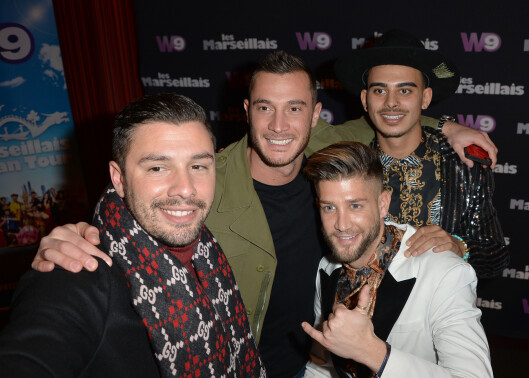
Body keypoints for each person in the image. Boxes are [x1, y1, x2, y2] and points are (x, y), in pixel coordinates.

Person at [29, 51, 497, 376]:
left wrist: (449, 126)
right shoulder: (203, 187)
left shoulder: (330, 148)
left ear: (315, 116)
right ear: (247, 112)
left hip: (312, 364)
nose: (279, 126)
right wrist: (82, 236)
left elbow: (390, 116)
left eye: (295, 108)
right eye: (266, 109)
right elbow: (144, 213)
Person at [0, 93, 265, 377]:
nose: (185, 189)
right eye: (157, 168)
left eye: (198, 166)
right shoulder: (74, 275)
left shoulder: (209, 250)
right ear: (119, 178)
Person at [326, 29, 508, 278]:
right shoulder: (350, 167)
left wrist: (459, 246)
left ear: (425, 98)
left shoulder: (463, 164)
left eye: (405, 91)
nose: (391, 102)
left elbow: (496, 255)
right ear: (365, 99)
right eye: (380, 91)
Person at [301, 141, 492, 377]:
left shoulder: (445, 273)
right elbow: (323, 365)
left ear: (383, 204)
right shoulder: (328, 267)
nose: (341, 224)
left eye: (355, 205)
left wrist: (371, 351)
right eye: (329, 208)